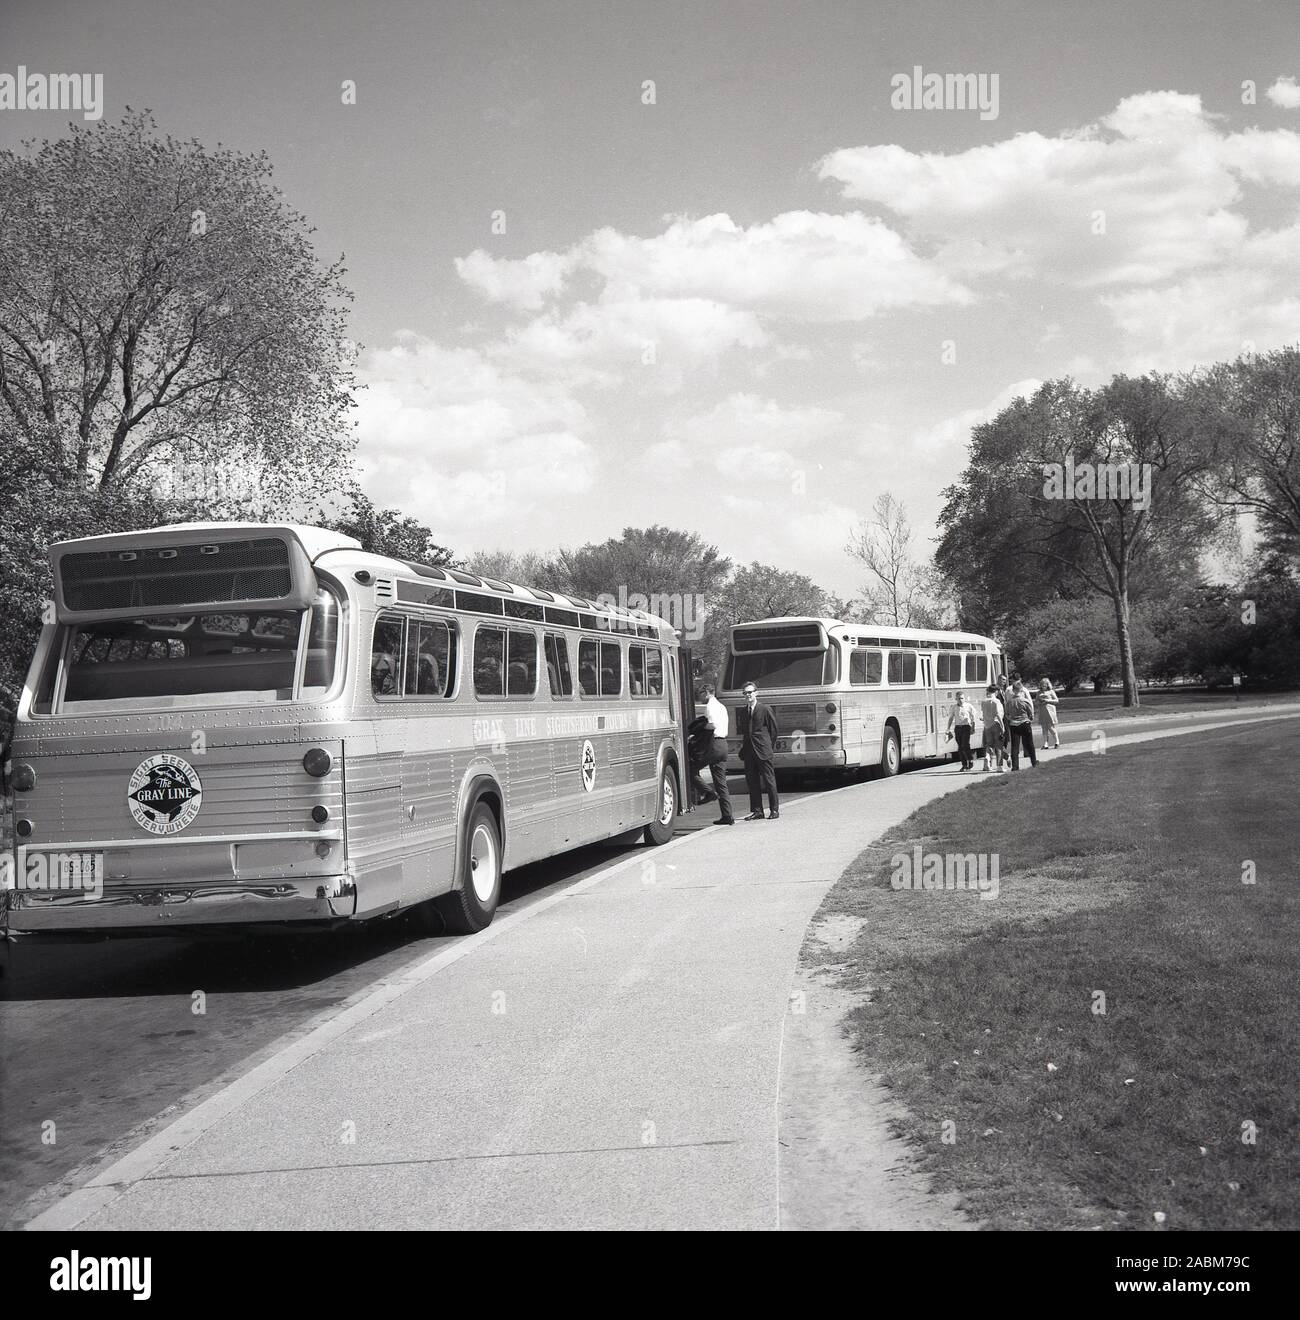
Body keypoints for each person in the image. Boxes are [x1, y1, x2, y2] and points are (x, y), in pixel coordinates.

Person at [736, 682, 780, 820]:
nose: (748, 695)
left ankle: (774, 810)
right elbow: (744, 732)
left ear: (756, 693)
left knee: (769, 781)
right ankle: (757, 811)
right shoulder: (743, 712)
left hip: (763, 750)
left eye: (750, 692)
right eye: (745, 693)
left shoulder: (765, 709)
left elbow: (774, 731)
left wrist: (768, 747)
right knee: (752, 782)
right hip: (749, 752)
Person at [687, 715, 734, 825]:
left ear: (708, 695)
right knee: (721, 783)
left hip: (714, 745)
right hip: (723, 745)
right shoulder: (721, 707)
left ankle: (708, 792)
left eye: (702, 695)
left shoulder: (710, 706)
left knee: (690, 770)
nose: (702, 696)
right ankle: (727, 816)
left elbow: (712, 726)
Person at [1006, 679, 1037, 770]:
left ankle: (1015, 766)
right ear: (1021, 690)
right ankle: (1034, 762)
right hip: (1024, 723)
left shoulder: (1009, 702)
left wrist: (1011, 718)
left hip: (1013, 725)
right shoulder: (1024, 701)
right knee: (1030, 743)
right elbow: (1030, 713)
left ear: (1013, 690)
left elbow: (1007, 714)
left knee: (1015, 746)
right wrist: (1030, 717)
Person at [945, 689, 976, 770]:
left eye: (962, 698)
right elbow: (951, 718)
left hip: (966, 727)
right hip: (958, 728)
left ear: (964, 699)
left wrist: (973, 727)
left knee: (965, 745)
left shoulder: (969, 706)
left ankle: (970, 759)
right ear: (956, 699)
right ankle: (964, 765)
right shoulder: (954, 707)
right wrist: (948, 729)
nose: (960, 700)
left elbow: (973, 717)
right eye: (959, 698)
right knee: (960, 747)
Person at [980, 684, 1006, 772]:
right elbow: (998, 714)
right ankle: (999, 766)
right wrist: (1002, 726)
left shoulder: (983, 701)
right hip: (996, 724)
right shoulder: (996, 701)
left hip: (987, 725)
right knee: (999, 746)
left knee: (989, 744)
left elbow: (983, 714)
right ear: (996, 691)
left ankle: (987, 758)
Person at [1037, 677, 1060, 749]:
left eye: (1045, 685)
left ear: (1047, 685)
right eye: (1042, 685)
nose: (1043, 686)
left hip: (1050, 711)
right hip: (1042, 711)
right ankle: (1045, 744)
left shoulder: (1051, 691)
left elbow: (1056, 700)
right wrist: (1040, 702)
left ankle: (1057, 742)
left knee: (1051, 727)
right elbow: (1036, 701)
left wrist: (1048, 700)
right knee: (1044, 728)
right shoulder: (1039, 692)